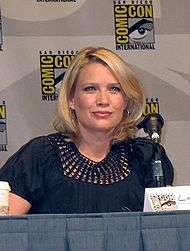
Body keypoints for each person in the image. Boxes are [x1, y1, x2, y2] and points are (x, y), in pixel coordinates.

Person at [0, 47, 174, 215]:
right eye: (90, 89)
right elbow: (8, 233)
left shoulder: (148, 157)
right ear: (71, 100)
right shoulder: (40, 156)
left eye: (114, 89)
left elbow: (161, 233)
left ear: (126, 100)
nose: (103, 100)